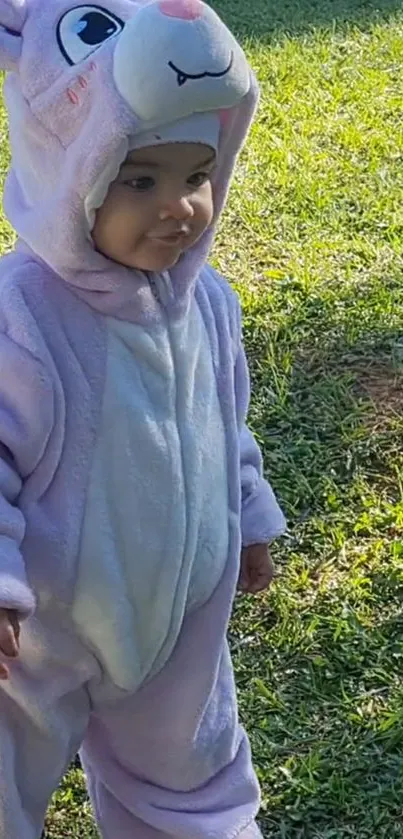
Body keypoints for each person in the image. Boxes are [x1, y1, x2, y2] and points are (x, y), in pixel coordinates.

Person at [0, 0, 286, 836]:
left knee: (194, 773)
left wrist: (250, 517)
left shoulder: (207, 304)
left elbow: (224, 423)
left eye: (195, 175)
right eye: (139, 179)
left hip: (174, 619)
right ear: (70, 168)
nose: (178, 208)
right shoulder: (24, 317)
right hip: (37, 634)